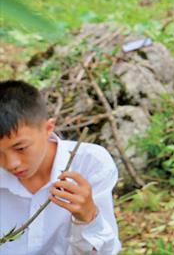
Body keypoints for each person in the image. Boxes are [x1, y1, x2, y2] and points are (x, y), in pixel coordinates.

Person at [0, 80, 121, 255]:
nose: (11, 163)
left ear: (48, 128)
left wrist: (88, 218)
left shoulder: (90, 164)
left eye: (21, 148)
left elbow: (105, 252)